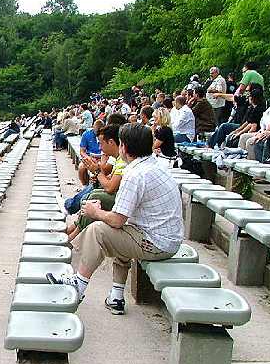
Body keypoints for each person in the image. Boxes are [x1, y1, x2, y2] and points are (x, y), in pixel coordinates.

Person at [46, 124, 183, 315]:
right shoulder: (155, 165)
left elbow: (117, 220)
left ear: (124, 148)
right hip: (167, 239)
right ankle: (116, 297)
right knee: (123, 233)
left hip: (156, 243)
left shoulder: (134, 174)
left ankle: (78, 284)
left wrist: (96, 213)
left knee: (98, 230)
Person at [66, 124, 126, 242]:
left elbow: (110, 188)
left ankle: (74, 234)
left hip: (123, 201)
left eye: (101, 143)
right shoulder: (118, 158)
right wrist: (100, 175)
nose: (99, 146)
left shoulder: (122, 160)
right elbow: (110, 179)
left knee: (95, 196)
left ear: (111, 142)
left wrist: (97, 171)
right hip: (119, 195)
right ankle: (75, 227)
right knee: (91, 194)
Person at [78, 119, 103, 186]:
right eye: (96, 131)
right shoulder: (86, 134)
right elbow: (82, 151)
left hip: (103, 157)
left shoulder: (105, 134)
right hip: (90, 156)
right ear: (93, 127)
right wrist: (88, 158)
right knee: (81, 168)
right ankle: (84, 185)